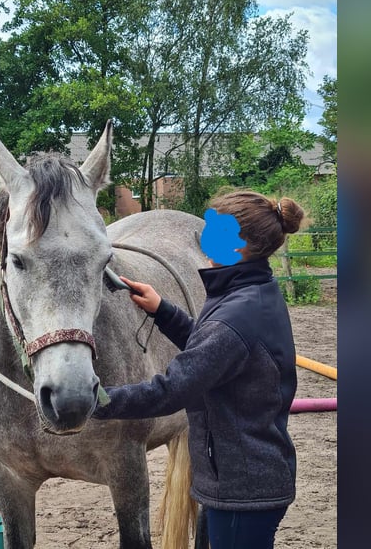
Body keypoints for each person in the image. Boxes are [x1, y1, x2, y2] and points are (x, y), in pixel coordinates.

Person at [93, 190, 305, 549]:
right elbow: (213, 353)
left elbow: (173, 389)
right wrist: (162, 310)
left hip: (242, 488)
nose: (202, 237)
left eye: (214, 231)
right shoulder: (251, 292)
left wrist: (94, 401)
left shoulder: (236, 315)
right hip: (249, 476)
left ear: (239, 246)